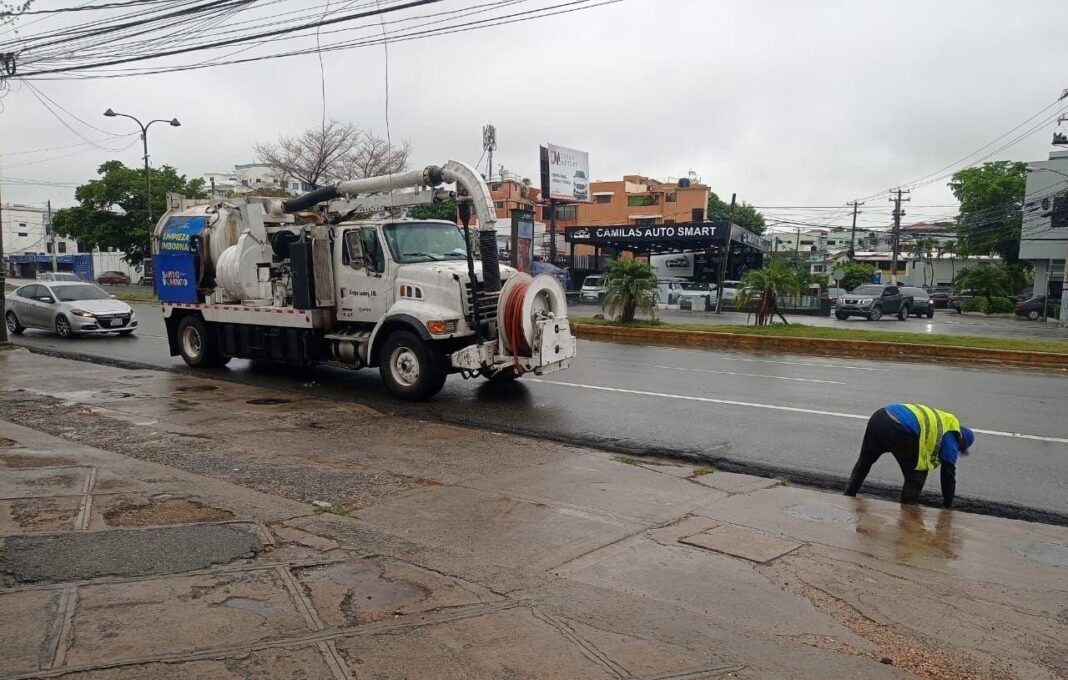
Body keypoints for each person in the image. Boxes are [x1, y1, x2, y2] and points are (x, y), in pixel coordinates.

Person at [845, 403, 975, 508]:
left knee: (864, 462)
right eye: (960, 448)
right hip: (900, 426)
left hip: (880, 416)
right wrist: (948, 504)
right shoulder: (952, 437)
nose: (956, 451)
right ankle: (907, 513)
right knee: (916, 477)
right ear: (961, 439)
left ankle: (848, 495)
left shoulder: (946, 421)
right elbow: (948, 474)